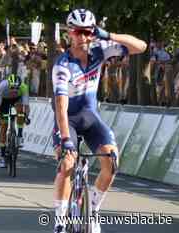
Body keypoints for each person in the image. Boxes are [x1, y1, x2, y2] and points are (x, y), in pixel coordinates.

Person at [52, 9, 147, 233]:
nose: (83, 37)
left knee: (112, 162)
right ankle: (60, 220)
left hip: (90, 117)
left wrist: (108, 35)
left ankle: (93, 211)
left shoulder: (99, 50)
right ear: (69, 33)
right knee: (67, 164)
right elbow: (61, 106)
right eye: (78, 32)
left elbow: (141, 46)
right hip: (68, 120)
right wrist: (65, 139)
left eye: (88, 31)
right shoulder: (63, 65)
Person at [0, 74, 30, 168]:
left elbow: (26, 106)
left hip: (17, 99)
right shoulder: (2, 86)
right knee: (4, 126)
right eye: (12, 88)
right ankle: (2, 156)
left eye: (16, 88)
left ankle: (20, 136)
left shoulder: (24, 87)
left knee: (20, 111)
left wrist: (26, 116)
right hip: (5, 101)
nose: (14, 90)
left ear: (20, 86)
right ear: (8, 85)